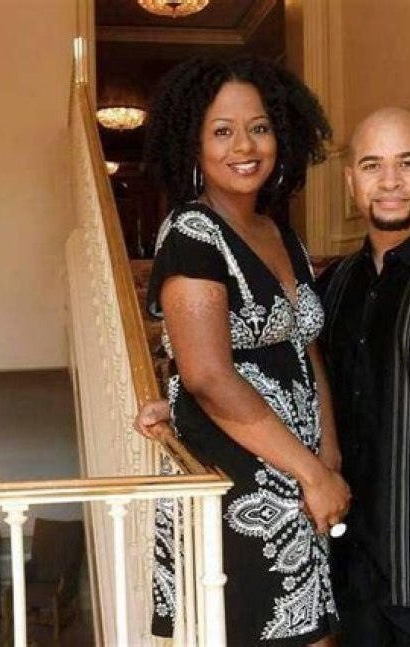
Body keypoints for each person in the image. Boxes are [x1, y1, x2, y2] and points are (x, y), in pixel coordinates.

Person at [138, 105, 410, 646]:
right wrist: (185, 402)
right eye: (373, 165)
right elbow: (289, 378)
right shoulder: (338, 284)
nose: (390, 182)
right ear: (351, 180)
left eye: (407, 163)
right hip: (350, 576)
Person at [139, 56, 350, 647]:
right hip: (238, 477)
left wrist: (328, 454)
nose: (244, 146)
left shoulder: (281, 234)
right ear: (194, 143)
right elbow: (207, 377)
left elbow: (306, 351)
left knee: (316, 632)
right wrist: (311, 471)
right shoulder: (192, 234)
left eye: (259, 127)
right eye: (222, 131)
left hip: (301, 474)